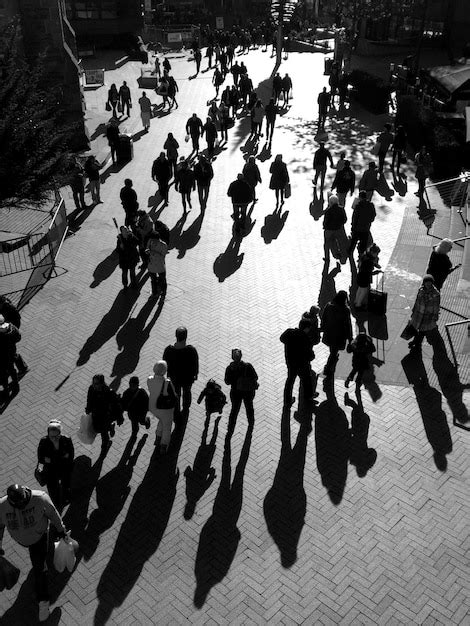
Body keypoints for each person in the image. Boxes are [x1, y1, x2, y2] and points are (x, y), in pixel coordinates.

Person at [0, 484, 67, 622]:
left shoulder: (40, 498)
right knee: (38, 566)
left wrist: (61, 530)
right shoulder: (2, 506)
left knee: (39, 568)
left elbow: (53, 513)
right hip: (23, 539)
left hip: (39, 539)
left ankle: (43, 601)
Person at [37, 420, 74, 509]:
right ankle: (55, 502)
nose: (54, 438)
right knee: (52, 488)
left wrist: (51, 460)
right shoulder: (44, 441)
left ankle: (66, 498)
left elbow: (71, 455)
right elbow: (40, 458)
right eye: (51, 436)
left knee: (66, 484)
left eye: (57, 436)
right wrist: (62, 457)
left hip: (64, 468)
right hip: (51, 470)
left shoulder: (66, 439)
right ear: (48, 434)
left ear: (60, 433)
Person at [163, 326, 199, 417]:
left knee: (176, 394)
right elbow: (195, 364)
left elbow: (165, 364)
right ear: (186, 336)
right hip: (187, 378)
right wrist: (195, 374)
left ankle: (176, 410)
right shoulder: (191, 350)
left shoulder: (169, 350)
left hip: (174, 378)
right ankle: (186, 408)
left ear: (176, 336)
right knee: (187, 392)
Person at [280, 320, 316, 406]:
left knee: (290, 381)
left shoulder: (289, 332)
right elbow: (310, 354)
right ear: (306, 328)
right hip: (302, 364)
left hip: (291, 362)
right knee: (306, 380)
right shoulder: (305, 338)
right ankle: (309, 396)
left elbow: (282, 338)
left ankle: (287, 400)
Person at [85, 374, 122, 454]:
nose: (94, 385)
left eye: (97, 383)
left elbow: (117, 406)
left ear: (102, 383)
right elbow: (89, 400)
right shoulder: (91, 389)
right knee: (97, 429)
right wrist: (88, 409)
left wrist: (119, 418)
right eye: (93, 383)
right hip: (95, 415)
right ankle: (110, 427)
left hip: (105, 416)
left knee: (103, 433)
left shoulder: (109, 392)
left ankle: (104, 447)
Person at [224, 348, 258, 435]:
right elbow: (255, 377)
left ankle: (230, 428)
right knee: (249, 408)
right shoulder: (248, 366)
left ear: (232, 357)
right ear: (241, 356)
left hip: (236, 392)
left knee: (234, 410)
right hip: (248, 392)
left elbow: (227, 382)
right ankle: (251, 423)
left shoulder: (230, 368)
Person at [321, 290, 353, 377]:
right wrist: (350, 338)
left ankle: (331, 362)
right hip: (339, 335)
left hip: (329, 332)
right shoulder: (345, 310)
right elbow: (348, 325)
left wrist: (323, 328)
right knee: (333, 352)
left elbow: (323, 317)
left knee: (332, 349)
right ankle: (328, 368)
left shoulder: (329, 305)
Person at [147, 360, 176, 454]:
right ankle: (163, 445)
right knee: (167, 427)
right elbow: (174, 396)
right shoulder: (167, 383)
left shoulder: (149, 379)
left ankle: (158, 437)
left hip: (153, 407)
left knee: (162, 420)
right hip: (164, 409)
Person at [408, 275, 441, 350]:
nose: (428, 285)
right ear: (424, 283)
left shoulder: (436, 294)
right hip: (418, 313)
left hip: (427, 316)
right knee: (416, 328)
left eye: (430, 283)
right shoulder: (421, 290)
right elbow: (417, 301)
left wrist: (435, 317)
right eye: (427, 283)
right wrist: (413, 310)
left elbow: (436, 306)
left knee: (422, 331)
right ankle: (416, 342)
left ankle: (417, 344)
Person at [349, 190, 376, 256]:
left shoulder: (358, 206)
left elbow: (354, 218)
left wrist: (352, 226)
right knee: (363, 243)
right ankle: (361, 255)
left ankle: (350, 253)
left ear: (360, 197)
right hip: (366, 228)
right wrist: (369, 221)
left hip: (357, 228)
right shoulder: (371, 205)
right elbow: (373, 215)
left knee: (353, 242)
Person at [354, 244, 381, 309]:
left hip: (360, 275)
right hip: (365, 278)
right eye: (376, 254)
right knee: (363, 291)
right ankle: (358, 304)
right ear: (372, 252)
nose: (377, 255)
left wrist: (375, 264)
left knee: (360, 289)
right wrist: (376, 272)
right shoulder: (369, 261)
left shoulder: (365, 255)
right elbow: (369, 272)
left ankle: (356, 301)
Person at [322, 194, 347, 264]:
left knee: (327, 244)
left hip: (329, 230)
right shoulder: (341, 209)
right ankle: (338, 254)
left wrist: (324, 226)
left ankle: (327, 258)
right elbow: (345, 219)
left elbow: (325, 221)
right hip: (338, 229)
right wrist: (340, 224)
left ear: (331, 202)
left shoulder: (328, 210)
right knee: (339, 242)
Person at [0, 314, 21, 396]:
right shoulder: (11, 327)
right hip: (11, 352)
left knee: (2, 373)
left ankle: (5, 389)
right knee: (11, 369)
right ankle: (15, 384)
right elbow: (18, 337)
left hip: (2, 356)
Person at [146, 230, 168, 298]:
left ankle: (163, 293)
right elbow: (147, 247)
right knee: (153, 280)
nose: (152, 241)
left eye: (153, 240)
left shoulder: (163, 245)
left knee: (162, 280)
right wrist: (147, 251)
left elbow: (162, 257)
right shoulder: (150, 241)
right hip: (151, 265)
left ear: (157, 239)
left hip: (160, 265)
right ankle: (154, 292)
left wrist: (152, 252)